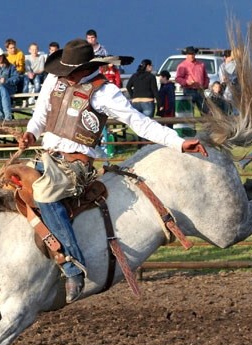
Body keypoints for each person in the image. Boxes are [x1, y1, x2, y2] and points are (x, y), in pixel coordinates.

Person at [19, 39, 207, 303]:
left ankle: (73, 266)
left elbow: (139, 123)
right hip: (46, 155)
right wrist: (30, 133)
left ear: (84, 69)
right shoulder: (55, 80)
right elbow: (41, 114)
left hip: (75, 165)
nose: (63, 75)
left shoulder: (105, 93)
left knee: (45, 193)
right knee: (7, 185)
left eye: (69, 71)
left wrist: (179, 142)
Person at [175, 46, 210, 115]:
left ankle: (207, 125)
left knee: (205, 111)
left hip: (200, 90)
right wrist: (186, 82)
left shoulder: (201, 64)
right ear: (187, 55)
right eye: (190, 54)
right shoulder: (182, 65)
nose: (191, 56)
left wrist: (205, 85)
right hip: (189, 90)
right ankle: (190, 125)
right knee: (189, 111)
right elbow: (178, 78)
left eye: (193, 54)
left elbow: (206, 77)